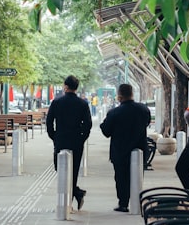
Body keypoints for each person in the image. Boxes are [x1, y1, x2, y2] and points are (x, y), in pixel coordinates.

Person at [99, 84, 151, 212]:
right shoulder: (144, 110)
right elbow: (147, 123)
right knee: (137, 176)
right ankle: (136, 201)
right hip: (139, 150)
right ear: (132, 94)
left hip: (120, 151)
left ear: (119, 96)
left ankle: (123, 203)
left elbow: (106, 132)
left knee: (121, 178)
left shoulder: (114, 113)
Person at [46, 75, 92, 210]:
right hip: (76, 141)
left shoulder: (57, 102)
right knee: (74, 170)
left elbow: (49, 122)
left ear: (65, 86)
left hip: (60, 140)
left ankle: (69, 201)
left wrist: (53, 136)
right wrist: (82, 137)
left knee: (60, 169)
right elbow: (88, 124)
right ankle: (74, 195)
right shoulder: (83, 104)